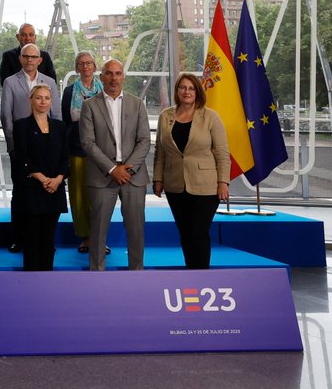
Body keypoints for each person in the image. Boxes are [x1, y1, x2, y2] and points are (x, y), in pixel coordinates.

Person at [153, 73, 231, 269]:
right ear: (177, 91)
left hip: (205, 185)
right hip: (175, 184)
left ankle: (201, 274)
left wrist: (223, 182)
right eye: (182, 88)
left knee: (198, 232)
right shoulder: (165, 116)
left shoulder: (211, 117)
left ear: (197, 92)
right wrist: (157, 179)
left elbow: (222, 153)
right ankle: (191, 271)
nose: (186, 92)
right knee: (186, 232)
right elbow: (160, 151)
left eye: (191, 88)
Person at [80, 59, 150, 270]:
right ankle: (97, 273)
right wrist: (112, 169)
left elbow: (145, 140)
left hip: (133, 176)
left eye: (118, 73)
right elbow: (87, 143)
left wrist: (126, 169)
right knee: (98, 230)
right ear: (101, 77)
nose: (114, 78)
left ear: (123, 77)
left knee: (136, 229)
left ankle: (136, 272)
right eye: (109, 74)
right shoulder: (89, 105)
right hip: (102, 176)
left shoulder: (137, 104)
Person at [0, 43, 62, 253]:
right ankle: (18, 237)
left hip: (48, 152)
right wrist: (13, 148)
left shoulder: (50, 82)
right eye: (25, 56)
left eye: (33, 57)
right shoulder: (10, 82)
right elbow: (6, 117)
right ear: (20, 58)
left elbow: (57, 116)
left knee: (45, 196)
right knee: (20, 196)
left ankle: (44, 241)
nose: (29, 60)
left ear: (40, 60)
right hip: (21, 150)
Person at [11, 84, 69, 271]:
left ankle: (47, 282)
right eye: (38, 98)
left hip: (55, 191)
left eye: (47, 98)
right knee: (32, 240)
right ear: (31, 100)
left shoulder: (60, 127)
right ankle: (31, 285)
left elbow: (64, 158)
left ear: (51, 102)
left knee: (48, 240)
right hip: (32, 191)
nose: (43, 101)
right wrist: (44, 179)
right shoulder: (21, 126)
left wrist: (58, 179)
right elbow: (22, 158)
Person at [61, 51, 103, 254]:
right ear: (77, 68)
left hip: (102, 152)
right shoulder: (69, 92)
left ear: (94, 67)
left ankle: (99, 237)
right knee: (79, 196)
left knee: (100, 197)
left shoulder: (104, 90)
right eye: (81, 64)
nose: (85, 67)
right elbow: (65, 122)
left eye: (89, 63)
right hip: (77, 150)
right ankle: (85, 238)